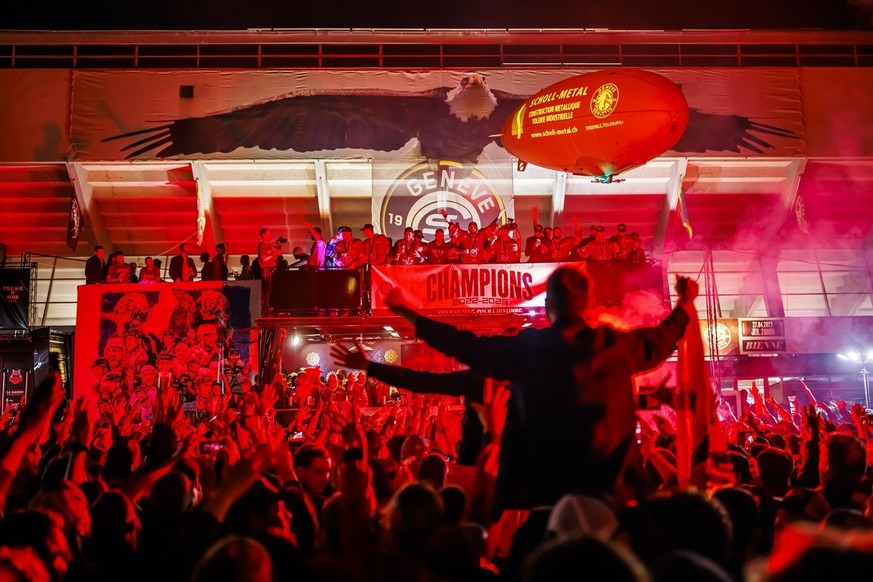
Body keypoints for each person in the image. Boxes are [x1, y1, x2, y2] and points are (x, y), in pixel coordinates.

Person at [383, 267, 699, 518]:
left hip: (542, 503)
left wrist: (406, 313)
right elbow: (664, 336)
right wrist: (685, 303)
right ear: (586, 306)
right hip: (615, 501)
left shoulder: (528, 350)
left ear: (548, 306)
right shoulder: (616, 346)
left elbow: (465, 345)